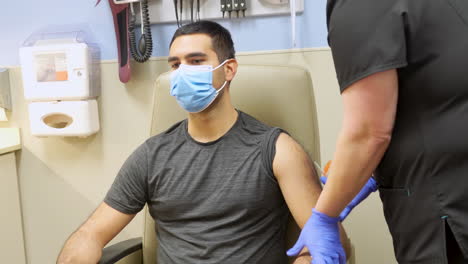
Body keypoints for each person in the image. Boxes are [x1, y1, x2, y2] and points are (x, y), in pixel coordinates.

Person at [57, 21, 351, 264]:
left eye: (196, 61)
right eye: (175, 64)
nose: (183, 72)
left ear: (229, 69)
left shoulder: (276, 150)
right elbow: (90, 235)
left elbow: (326, 242)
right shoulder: (151, 156)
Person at [288, 0, 468, 263]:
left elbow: (369, 133)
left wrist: (324, 216)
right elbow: (438, 89)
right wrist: (370, 171)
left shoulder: (360, 5)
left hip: (447, 201)